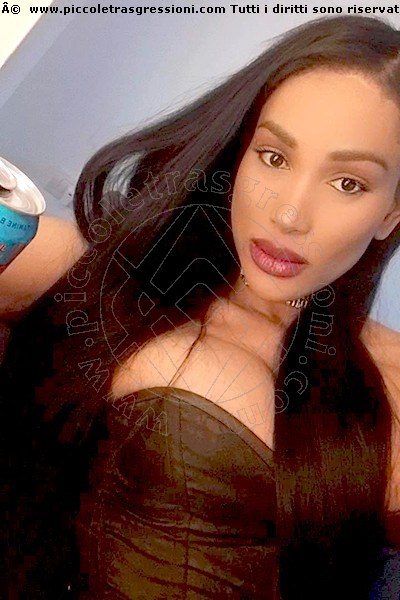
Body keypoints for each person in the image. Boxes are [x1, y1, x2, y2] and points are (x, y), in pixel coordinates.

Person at [1, 13, 400, 600]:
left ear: (391, 213)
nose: (289, 215)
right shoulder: (106, 271)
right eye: (274, 157)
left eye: (348, 184)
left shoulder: (384, 382)